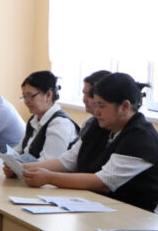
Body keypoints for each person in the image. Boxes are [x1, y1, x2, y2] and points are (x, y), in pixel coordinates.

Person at [22, 73, 158, 212]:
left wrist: (49, 178)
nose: (96, 111)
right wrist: (23, 168)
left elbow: (104, 182)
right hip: (93, 205)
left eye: (101, 106)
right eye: (95, 104)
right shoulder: (98, 125)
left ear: (124, 106)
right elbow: (68, 161)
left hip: (131, 214)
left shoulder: (141, 137)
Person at [10, 71, 79, 161]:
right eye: (24, 96)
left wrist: (19, 166)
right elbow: (19, 150)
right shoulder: (34, 119)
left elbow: (48, 162)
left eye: (31, 96)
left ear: (49, 95)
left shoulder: (60, 124)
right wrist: (8, 159)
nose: (26, 101)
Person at [79, 69, 112, 139]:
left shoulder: (111, 129)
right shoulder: (89, 122)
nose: (84, 100)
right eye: (84, 94)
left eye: (89, 95)